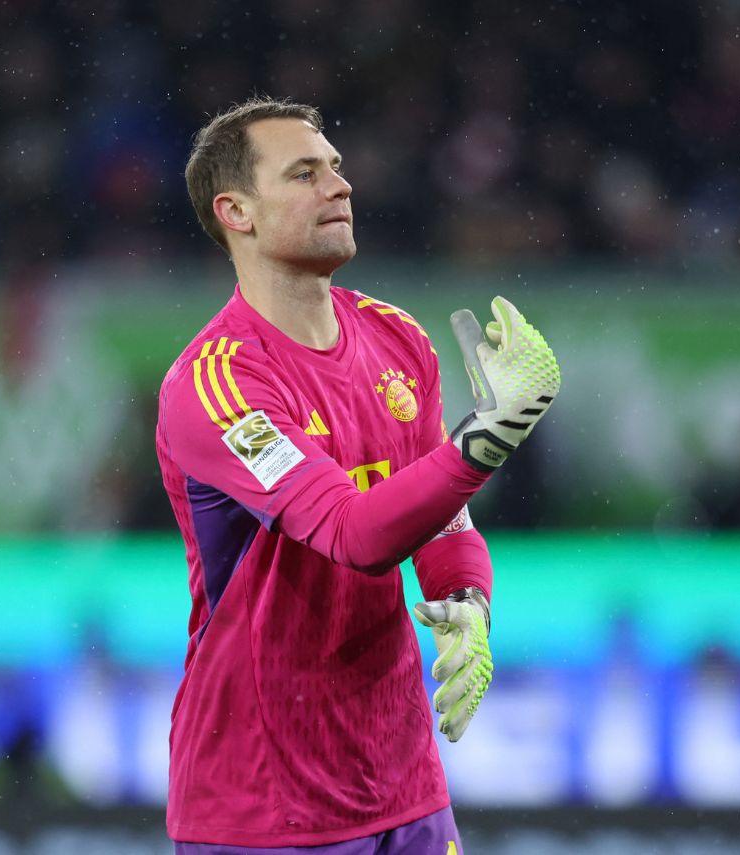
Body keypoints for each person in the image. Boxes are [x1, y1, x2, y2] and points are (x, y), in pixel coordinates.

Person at [155, 96, 560, 853]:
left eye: (336, 168)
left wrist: (464, 597)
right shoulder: (217, 385)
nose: (339, 185)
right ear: (235, 210)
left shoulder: (397, 338)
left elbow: (442, 515)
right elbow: (354, 532)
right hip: (263, 806)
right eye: (304, 173)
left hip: (403, 782)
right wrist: (492, 433)